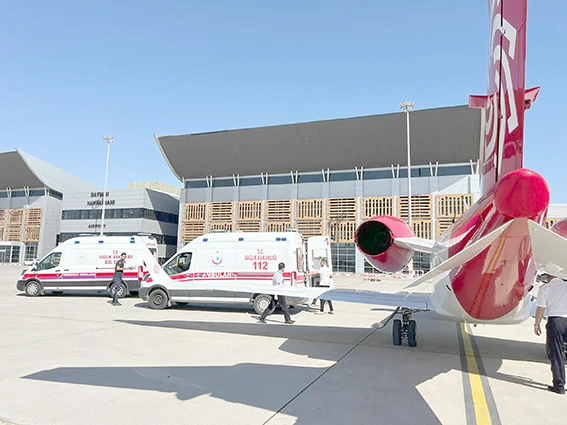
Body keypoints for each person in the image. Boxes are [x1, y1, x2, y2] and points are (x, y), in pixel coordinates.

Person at [534, 272, 567, 395]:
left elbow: (541, 308)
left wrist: (537, 324)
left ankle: (559, 386)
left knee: (557, 354)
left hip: (556, 321)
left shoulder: (545, 288)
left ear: (548, 277)